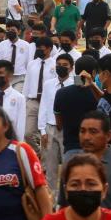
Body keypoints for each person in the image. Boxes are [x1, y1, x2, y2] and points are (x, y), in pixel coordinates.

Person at [38, 53, 74, 194]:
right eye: (59, 65)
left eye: (65, 65)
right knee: (50, 165)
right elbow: (44, 106)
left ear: (71, 68)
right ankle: (51, 198)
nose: (61, 67)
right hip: (50, 127)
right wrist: (42, 130)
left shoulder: (75, 85)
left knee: (68, 164)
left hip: (67, 128)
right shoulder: (48, 84)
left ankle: (67, 196)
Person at [54, 56, 99, 159]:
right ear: (93, 73)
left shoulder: (61, 93)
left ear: (74, 70)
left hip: (70, 148)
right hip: (94, 148)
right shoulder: (97, 94)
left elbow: (59, 124)